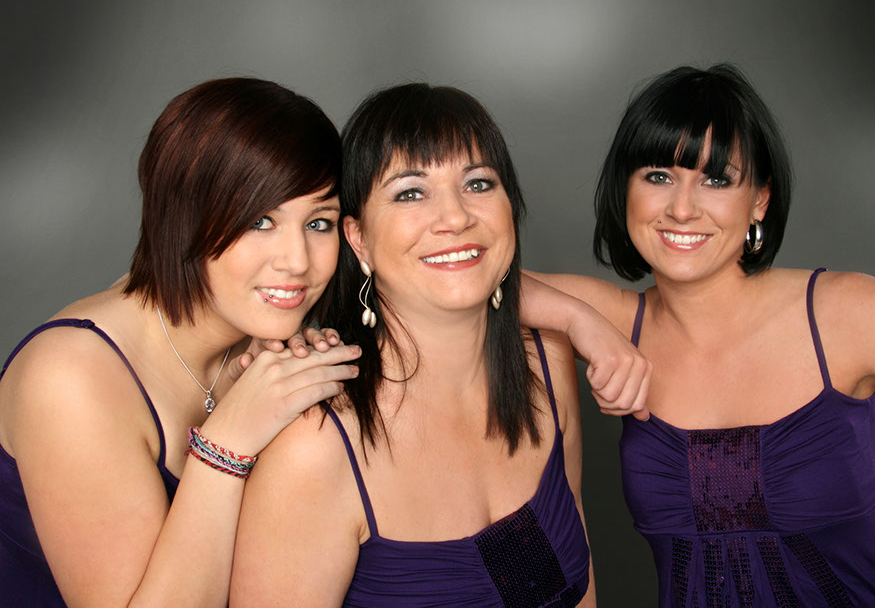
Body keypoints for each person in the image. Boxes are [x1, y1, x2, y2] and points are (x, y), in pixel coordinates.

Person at [525, 64, 875, 606]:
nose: (682, 208)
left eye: (716, 180)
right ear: (626, 189)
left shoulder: (843, 312)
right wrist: (579, 321)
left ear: (759, 200)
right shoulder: (618, 322)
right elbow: (462, 280)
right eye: (658, 177)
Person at [231, 83, 597, 607]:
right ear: (358, 239)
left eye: (478, 183)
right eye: (410, 192)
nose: (456, 217)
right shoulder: (313, 447)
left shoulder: (547, 365)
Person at [0, 77, 360, 607]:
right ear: (183, 215)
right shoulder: (70, 376)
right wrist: (227, 444)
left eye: (319, 222)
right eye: (260, 220)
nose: (297, 261)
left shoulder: (258, 339)